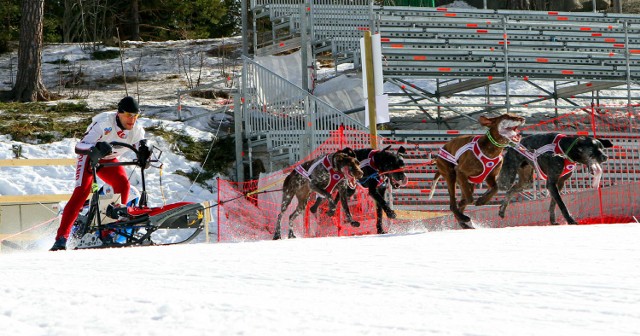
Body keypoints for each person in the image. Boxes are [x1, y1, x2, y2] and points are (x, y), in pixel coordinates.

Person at [50, 96, 147, 251]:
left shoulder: (136, 129)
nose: (132, 120)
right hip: (90, 157)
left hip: (109, 160)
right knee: (82, 192)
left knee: (122, 184)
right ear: (119, 113)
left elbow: (142, 146)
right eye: (129, 115)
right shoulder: (103, 124)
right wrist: (95, 146)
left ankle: (107, 232)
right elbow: (79, 146)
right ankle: (61, 239)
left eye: (136, 116)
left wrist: (145, 154)